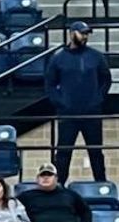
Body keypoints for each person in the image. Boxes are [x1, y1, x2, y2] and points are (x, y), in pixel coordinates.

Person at [45, 22, 111, 184]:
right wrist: (61, 103)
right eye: (82, 33)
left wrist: (98, 98)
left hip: (92, 112)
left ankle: (101, 185)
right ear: (72, 33)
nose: (85, 36)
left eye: (87, 33)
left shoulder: (96, 56)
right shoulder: (58, 58)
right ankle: (59, 186)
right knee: (63, 152)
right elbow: (50, 84)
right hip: (68, 113)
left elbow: (106, 79)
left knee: (96, 152)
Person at [17, 164, 94, 222]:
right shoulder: (26, 196)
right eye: (42, 175)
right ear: (37, 179)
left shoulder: (70, 194)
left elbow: (85, 211)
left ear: (56, 178)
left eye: (49, 175)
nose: (45, 178)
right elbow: (14, 211)